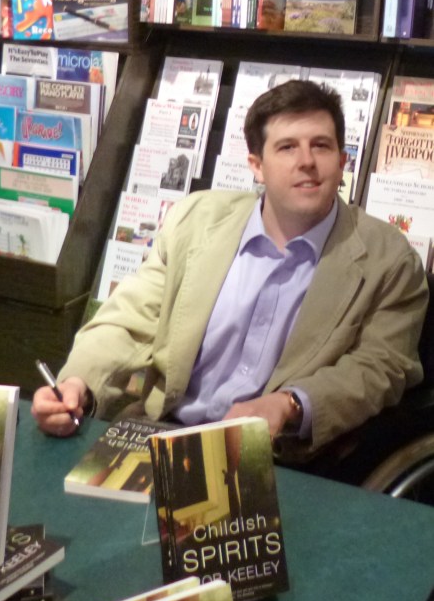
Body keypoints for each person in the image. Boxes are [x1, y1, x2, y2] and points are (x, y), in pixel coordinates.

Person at [33, 79, 429, 462]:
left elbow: (381, 368)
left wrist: (290, 404)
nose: (306, 161)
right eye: (287, 147)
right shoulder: (196, 219)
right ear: (256, 165)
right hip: (164, 434)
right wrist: (77, 384)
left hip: (284, 460)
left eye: (321, 146)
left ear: (343, 162)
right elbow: (129, 321)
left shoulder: (389, 259)